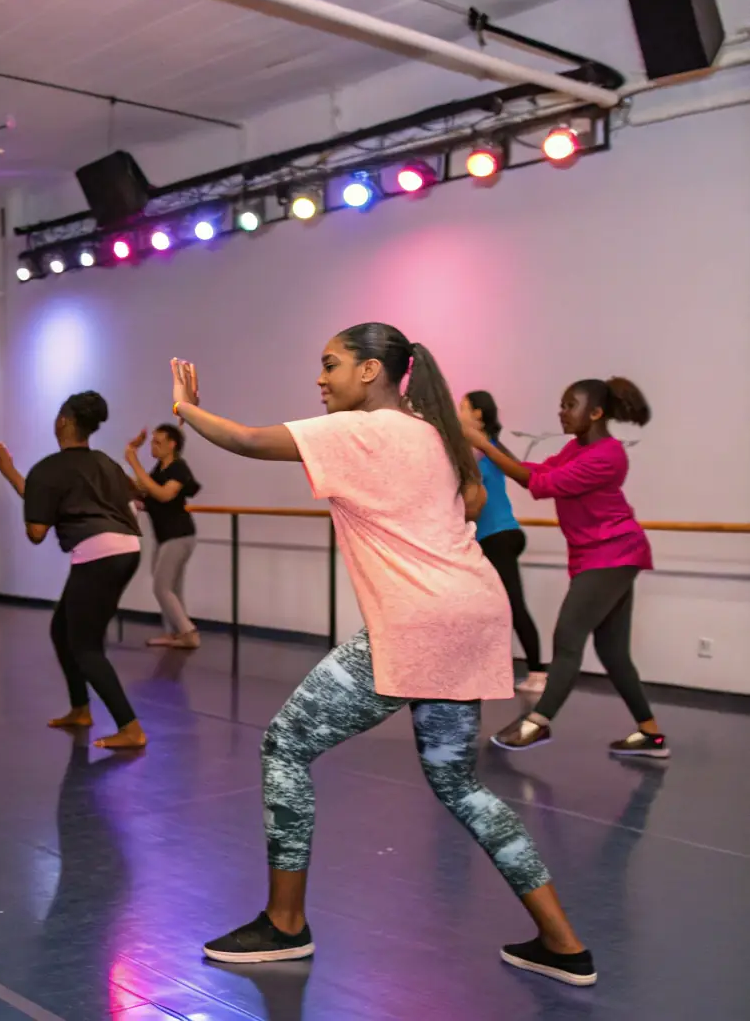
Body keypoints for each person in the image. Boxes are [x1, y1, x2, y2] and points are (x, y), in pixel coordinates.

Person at [173, 324, 595, 986]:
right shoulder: (433, 431)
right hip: (474, 611)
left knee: (284, 747)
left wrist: (185, 409)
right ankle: (562, 942)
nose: (320, 378)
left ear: (371, 371)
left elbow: (248, 440)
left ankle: (284, 926)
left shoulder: (358, 430)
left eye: (330, 364)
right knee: (458, 783)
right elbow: (473, 498)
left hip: (417, 621)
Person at [465, 378, 665, 758]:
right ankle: (651, 734)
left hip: (613, 554)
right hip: (599, 556)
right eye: (561, 404)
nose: (561, 411)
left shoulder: (608, 455)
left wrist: (482, 443)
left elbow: (540, 484)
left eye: (569, 405)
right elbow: (532, 470)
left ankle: (537, 722)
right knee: (614, 652)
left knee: (568, 638)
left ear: (595, 412)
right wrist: (486, 443)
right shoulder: (576, 448)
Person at [0, 391, 147, 751]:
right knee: (62, 629)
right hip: (127, 549)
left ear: (63, 420)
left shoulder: (49, 469)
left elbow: (36, 532)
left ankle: (130, 727)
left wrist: (10, 473)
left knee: (86, 647)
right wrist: (14, 474)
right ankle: (80, 709)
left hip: (97, 553)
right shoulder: (106, 463)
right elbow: (133, 498)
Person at [459, 392, 546, 693]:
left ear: (478, 415)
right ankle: (485, 667)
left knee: (513, 605)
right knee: (486, 607)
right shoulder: (487, 447)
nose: (458, 411)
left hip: (498, 535)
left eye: (463, 407)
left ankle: (538, 672)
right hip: (494, 536)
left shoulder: (482, 449)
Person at [124, 423, 202, 649]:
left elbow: (164, 495)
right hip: (166, 536)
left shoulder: (179, 468)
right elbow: (150, 495)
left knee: (161, 586)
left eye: (158, 442)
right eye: (152, 442)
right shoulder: (159, 469)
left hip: (179, 535)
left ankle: (188, 633)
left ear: (172, 445)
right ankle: (175, 633)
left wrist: (133, 460)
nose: (153, 446)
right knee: (172, 588)